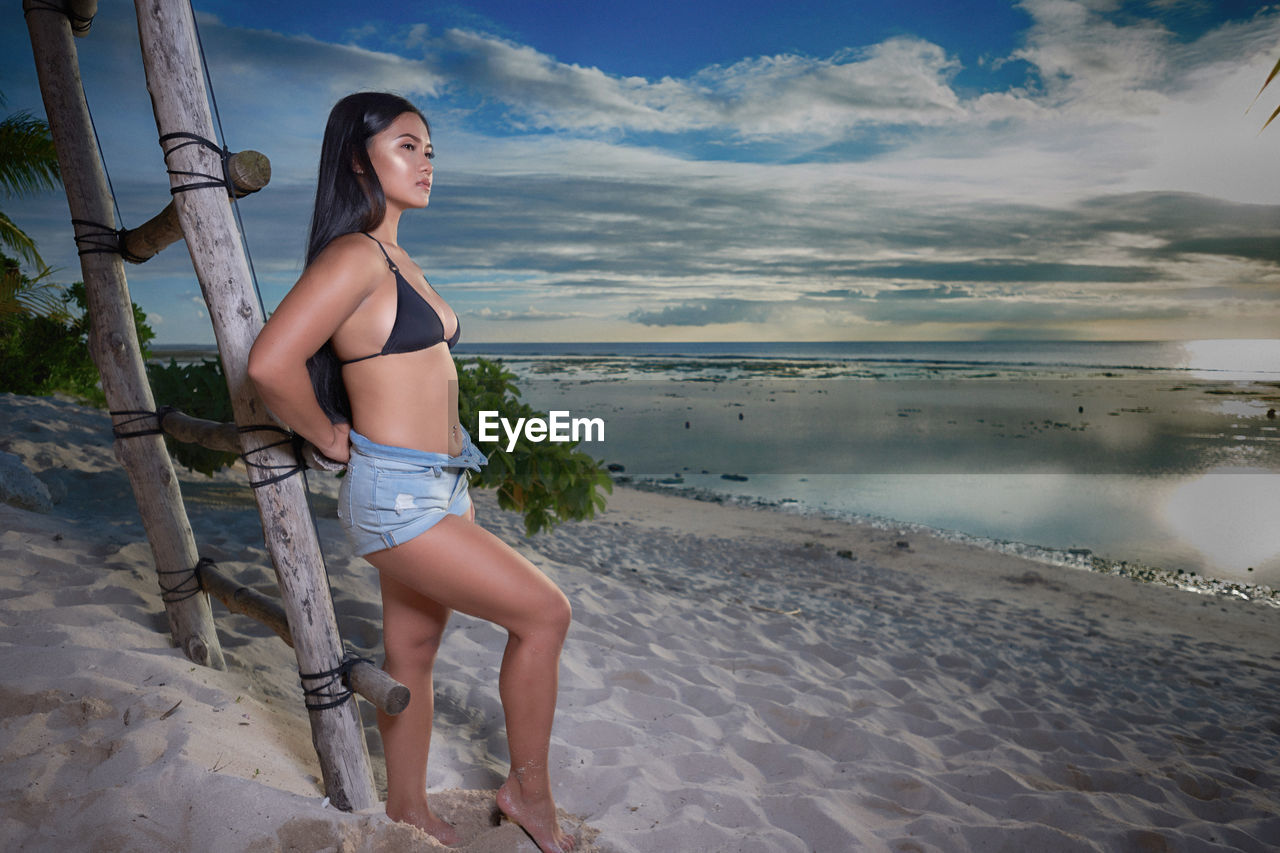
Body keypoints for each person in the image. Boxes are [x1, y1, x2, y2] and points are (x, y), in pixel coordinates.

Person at [247, 92, 575, 853]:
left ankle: (409, 811)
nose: (426, 162)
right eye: (407, 146)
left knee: (413, 656)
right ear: (360, 158)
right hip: (398, 495)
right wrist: (327, 433)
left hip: (441, 485)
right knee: (544, 614)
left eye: (430, 149)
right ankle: (529, 790)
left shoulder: (395, 257)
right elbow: (270, 361)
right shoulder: (356, 255)